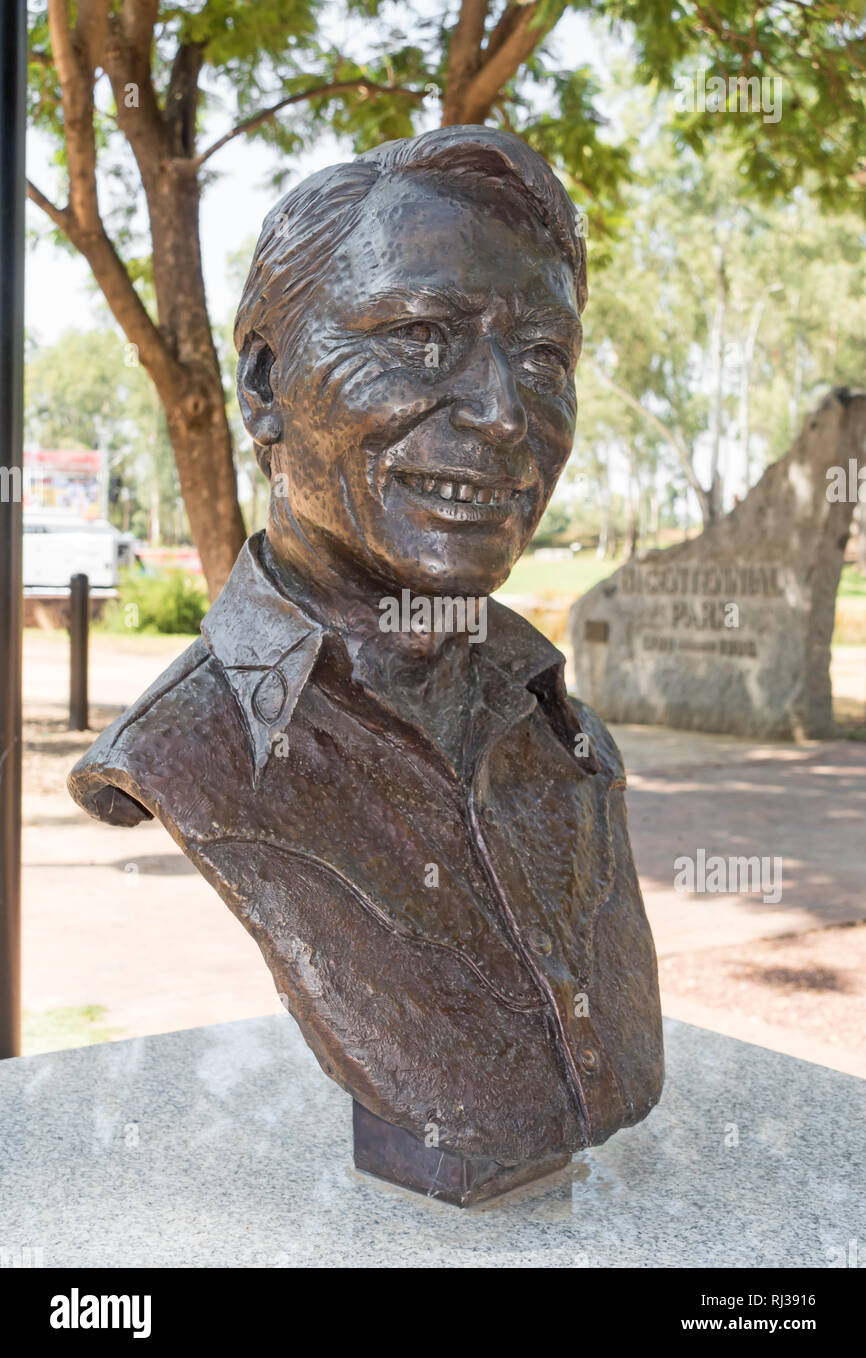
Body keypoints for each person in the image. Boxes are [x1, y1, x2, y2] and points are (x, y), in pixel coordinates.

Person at [69, 126, 663, 1168]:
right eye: (421, 335)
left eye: (541, 358)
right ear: (263, 386)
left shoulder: (568, 739)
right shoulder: (188, 760)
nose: (498, 414)